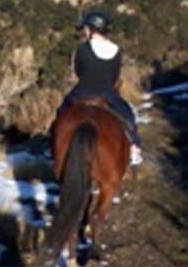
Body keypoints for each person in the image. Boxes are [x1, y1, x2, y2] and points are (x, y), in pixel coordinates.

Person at [58, 11, 142, 165]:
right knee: (129, 116)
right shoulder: (116, 50)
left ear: (91, 29)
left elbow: (78, 72)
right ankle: (134, 148)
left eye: (85, 28)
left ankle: (52, 145)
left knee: (61, 112)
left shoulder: (82, 49)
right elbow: (114, 76)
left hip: (81, 92)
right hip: (108, 94)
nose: (84, 31)